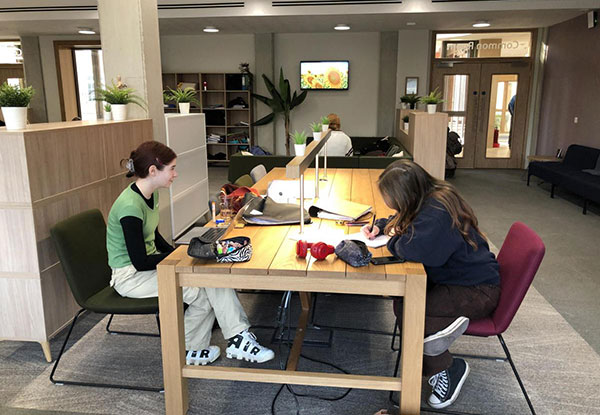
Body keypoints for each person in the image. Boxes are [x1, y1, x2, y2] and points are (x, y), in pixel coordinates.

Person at [106, 141, 274, 366]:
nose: (175, 174)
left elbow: (154, 238)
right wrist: (183, 257)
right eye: (172, 168)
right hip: (130, 277)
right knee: (200, 290)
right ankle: (209, 345)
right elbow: (139, 261)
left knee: (208, 276)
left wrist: (182, 252)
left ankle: (223, 342)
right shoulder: (129, 207)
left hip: (147, 267)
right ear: (153, 171)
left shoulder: (151, 195)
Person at [362, 159, 500, 410]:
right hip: (457, 280)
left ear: (408, 195)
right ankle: (436, 339)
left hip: (475, 290)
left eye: (393, 200)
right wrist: (383, 226)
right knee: (405, 304)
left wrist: (392, 239)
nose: (390, 206)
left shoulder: (437, 211)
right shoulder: (432, 196)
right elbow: (404, 219)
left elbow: (414, 250)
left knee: (414, 315)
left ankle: (449, 367)